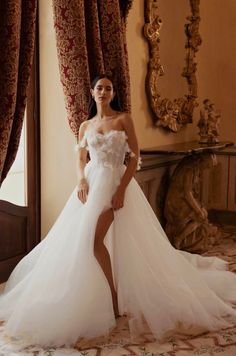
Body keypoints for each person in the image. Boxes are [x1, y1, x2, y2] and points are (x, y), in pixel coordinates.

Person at [1, 74, 236, 349]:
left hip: (115, 183)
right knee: (83, 242)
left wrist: (122, 189)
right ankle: (101, 294)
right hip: (91, 185)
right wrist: (80, 179)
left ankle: (112, 298)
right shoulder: (85, 125)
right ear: (92, 92)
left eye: (108, 88)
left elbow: (134, 155)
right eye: (99, 87)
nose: (103, 91)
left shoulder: (123, 119)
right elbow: (80, 158)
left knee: (93, 240)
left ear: (113, 94)